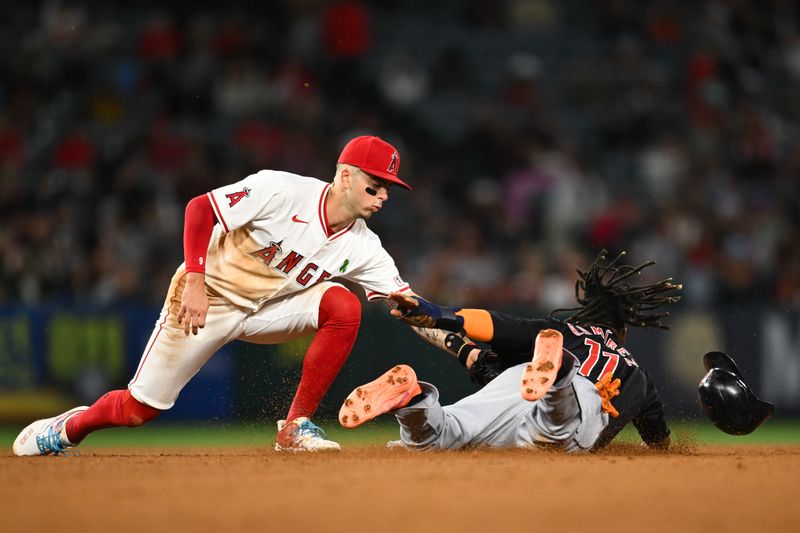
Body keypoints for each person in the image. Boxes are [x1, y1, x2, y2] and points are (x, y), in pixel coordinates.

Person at [13, 135, 415, 455]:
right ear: (345, 176)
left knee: (343, 305)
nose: (383, 196)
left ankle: (295, 426)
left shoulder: (365, 246)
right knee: (138, 411)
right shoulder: (281, 190)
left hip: (267, 311)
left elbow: (409, 305)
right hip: (206, 301)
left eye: (388, 189)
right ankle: (67, 429)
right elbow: (199, 209)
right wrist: (194, 281)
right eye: (375, 185)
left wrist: (457, 330)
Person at [338, 251, 681, 452]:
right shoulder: (637, 374)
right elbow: (658, 441)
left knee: (448, 433)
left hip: (518, 381)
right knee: (554, 435)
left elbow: (497, 325)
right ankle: (560, 376)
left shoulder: (562, 330)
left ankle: (413, 403)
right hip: (579, 395)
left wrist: (439, 314)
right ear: (621, 332)